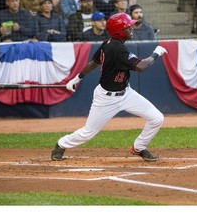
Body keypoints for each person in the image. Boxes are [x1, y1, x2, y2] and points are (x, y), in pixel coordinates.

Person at [50, 12, 167, 162]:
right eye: (127, 27)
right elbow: (142, 67)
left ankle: (139, 147)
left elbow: (93, 62)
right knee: (88, 133)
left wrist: (77, 78)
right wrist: (156, 54)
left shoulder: (109, 42)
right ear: (119, 31)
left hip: (126, 93)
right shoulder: (117, 49)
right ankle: (61, 144)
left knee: (157, 118)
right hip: (106, 98)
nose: (131, 28)